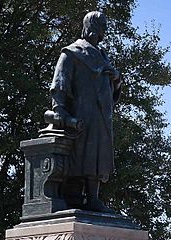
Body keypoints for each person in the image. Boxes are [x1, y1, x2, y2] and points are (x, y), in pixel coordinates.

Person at [50, 11, 122, 212]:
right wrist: (59, 109)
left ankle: (93, 198)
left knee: (99, 154)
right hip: (82, 114)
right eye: (99, 27)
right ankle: (77, 196)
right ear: (90, 27)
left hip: (102, 116)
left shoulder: (103, 56)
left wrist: (116, 80)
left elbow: (111, 90)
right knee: (84, 154)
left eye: (104, 28)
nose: (102, 33)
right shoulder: (72, 52)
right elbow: (60, 83)